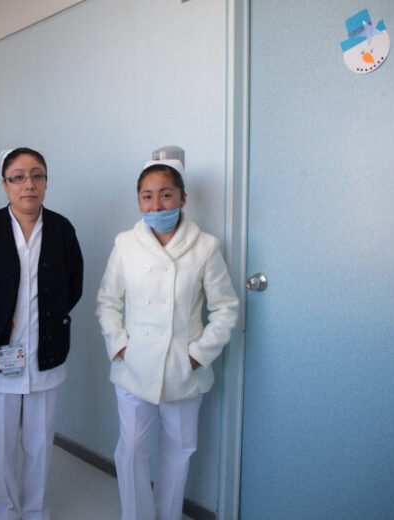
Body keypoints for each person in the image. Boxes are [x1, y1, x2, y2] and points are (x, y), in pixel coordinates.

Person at [96, 148, 239, 520]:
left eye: (166, 195)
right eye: (147, 196)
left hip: (183, 368)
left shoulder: (205, 247)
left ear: (183, 198)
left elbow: (226, 308)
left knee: (179, 452)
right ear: (139, 201)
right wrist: (120, 346)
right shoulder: (125, 244)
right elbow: (107, 301)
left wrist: (197, 355)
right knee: (131, 451)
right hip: (133, 365)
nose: (157, 205)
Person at [0, 147, 83, 520]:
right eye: (19, 177)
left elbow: (73, 286)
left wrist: (48, 323)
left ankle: (35, 511)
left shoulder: (61, 229)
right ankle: (4, 512)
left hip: (46, 354)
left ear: (46, 182)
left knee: (39, 444)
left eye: (37, 175)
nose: (29, 184)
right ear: (5, 184)